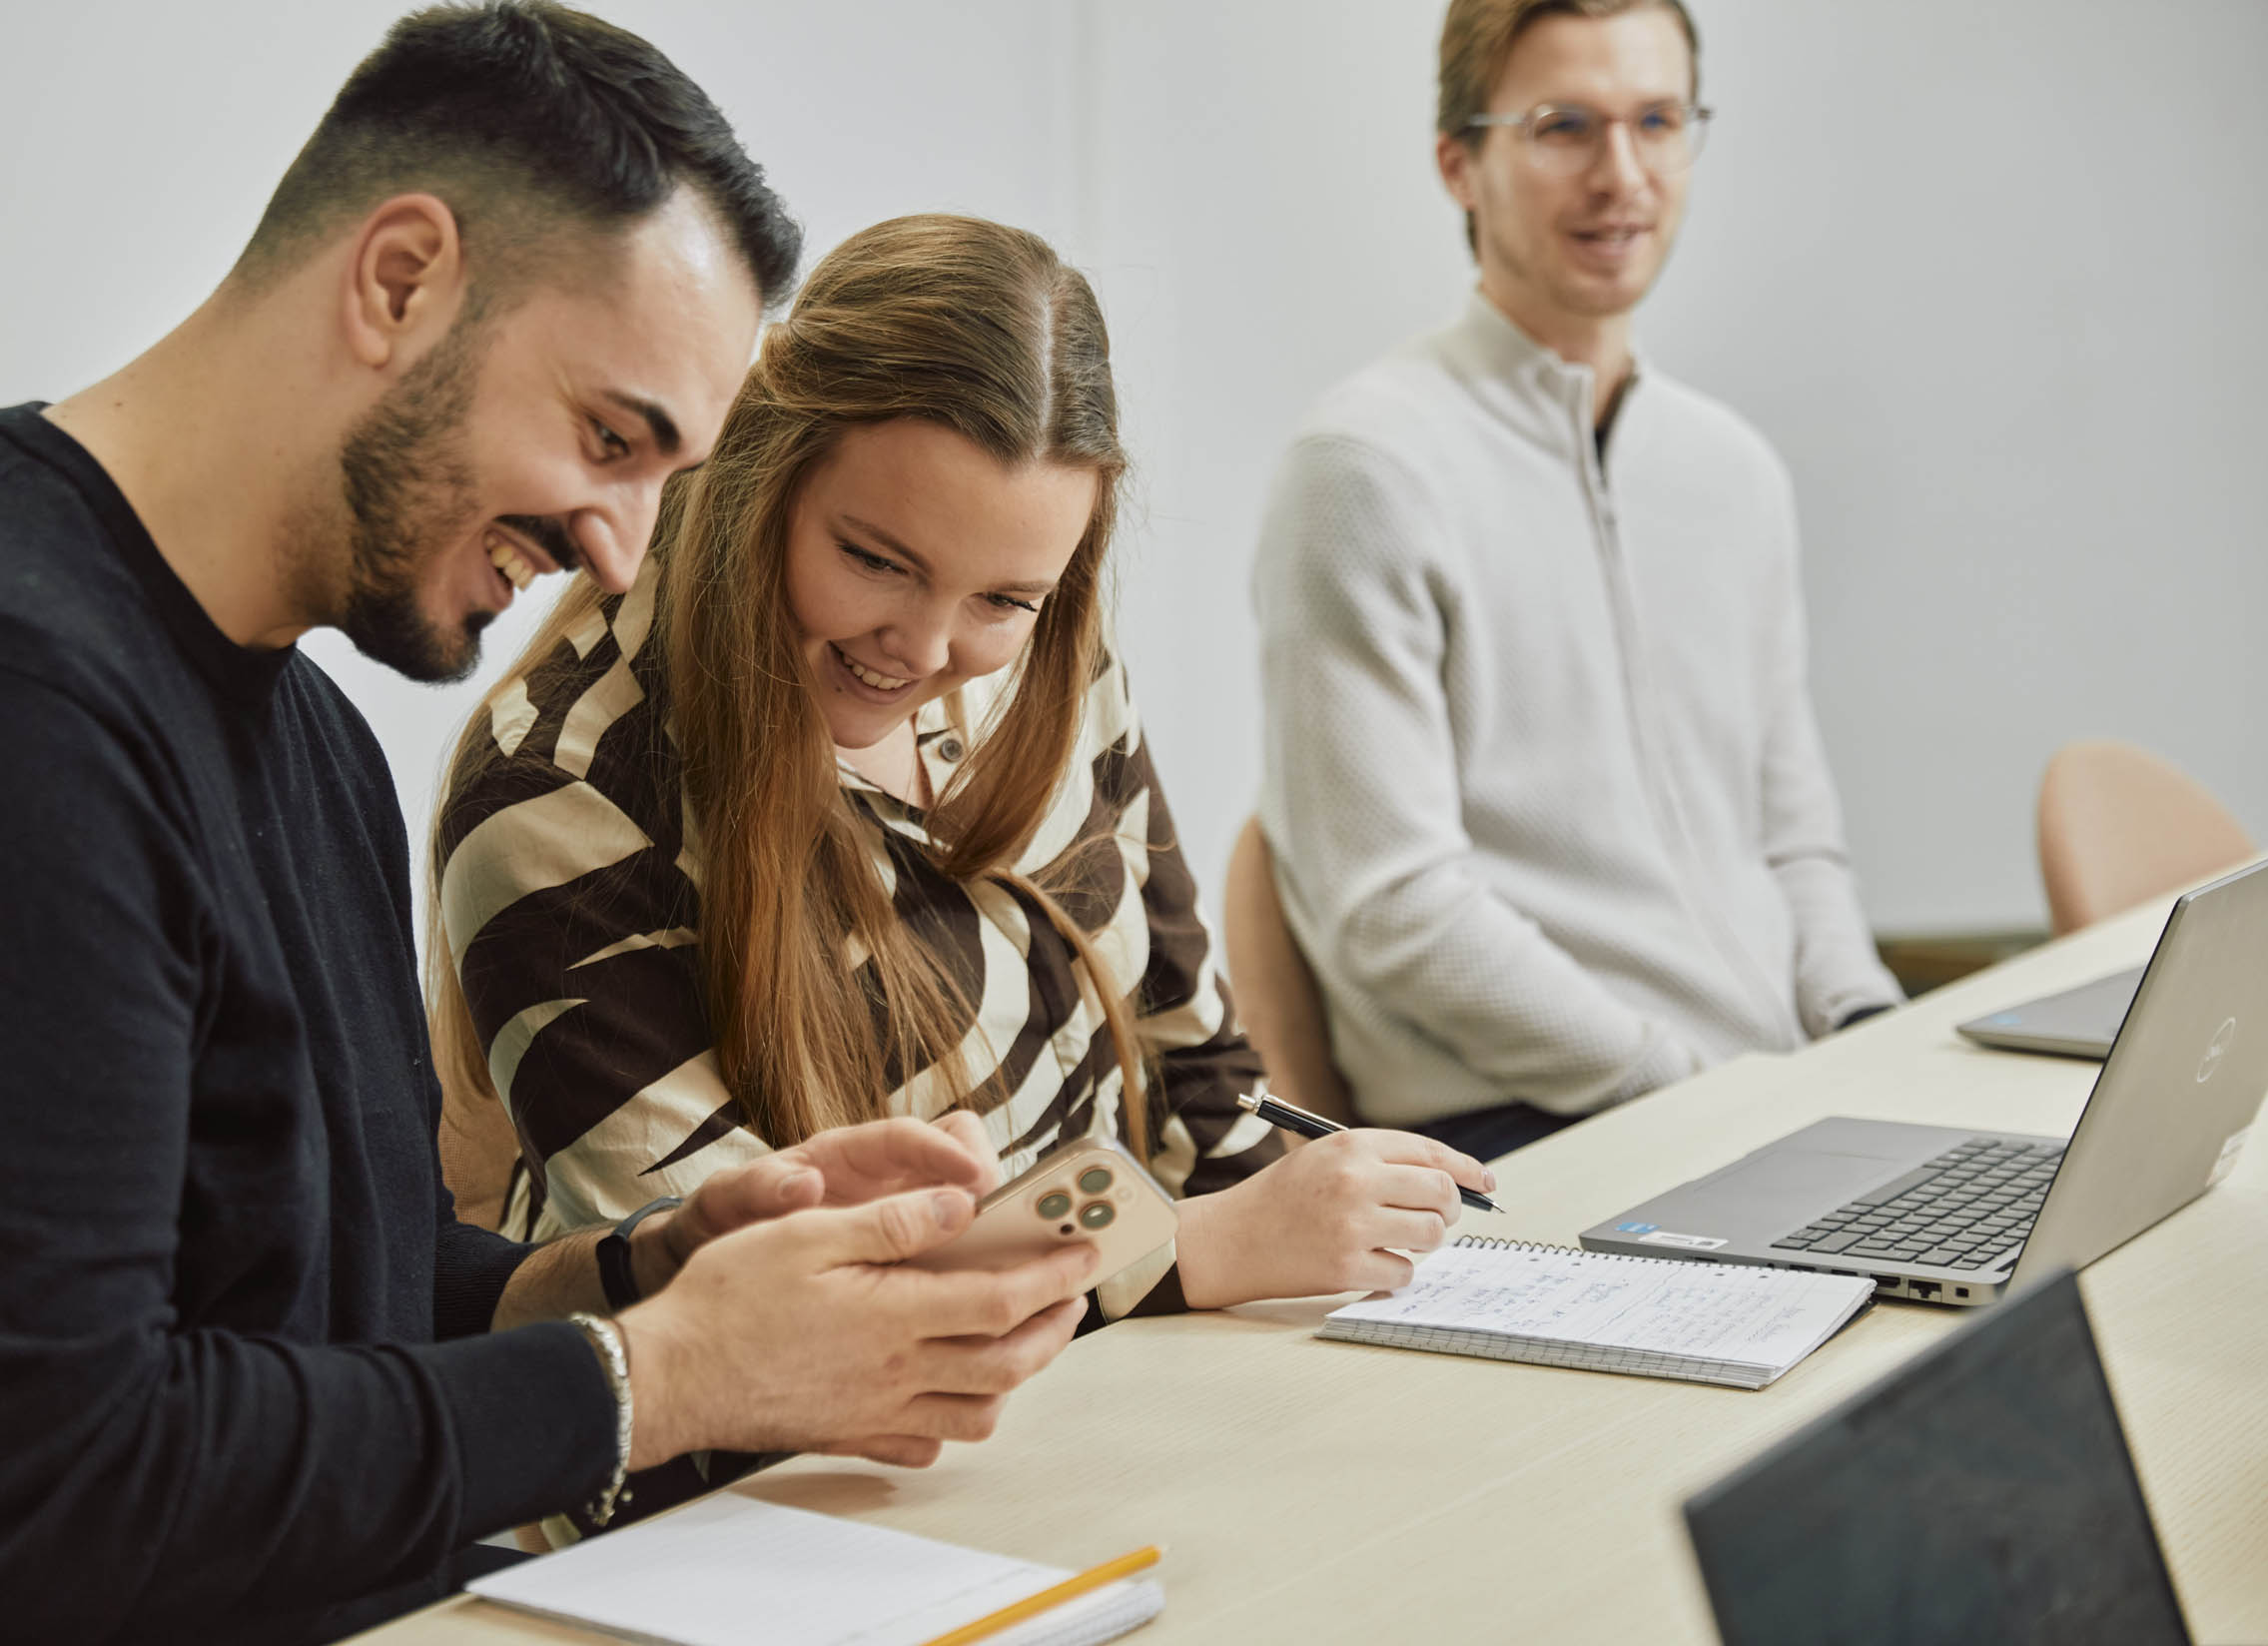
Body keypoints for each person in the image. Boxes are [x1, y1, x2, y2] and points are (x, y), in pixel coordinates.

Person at [0, 9, 1097, 1646]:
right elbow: (46, 1490)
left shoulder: (312, 736)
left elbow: (348, 1291)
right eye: (610, 438)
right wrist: (666, 1376)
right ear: (399, 280)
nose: (621, 550)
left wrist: (657, 1274)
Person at [429, 213, 1494, 1405]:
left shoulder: (1046, 664)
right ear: (760, 468)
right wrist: (1197, 1247)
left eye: (1002, 597)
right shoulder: (563, 796)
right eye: (877, 560)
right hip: (794, 1470)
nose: (927, 650)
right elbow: (757, 1309)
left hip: (1112, 1387)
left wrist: (1329, 1251)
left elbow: (1193, 1068)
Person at [1251, 0, 1901, 1163]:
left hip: (1768, 1102)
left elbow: (1796, 843)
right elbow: (1391, 910)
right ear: (1458, 163)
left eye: (1656, 121)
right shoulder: (1364, 469)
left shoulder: (1732, 473)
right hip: (1530, 1128)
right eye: (1563, 127)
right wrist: (1692, 1089)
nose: (1622, 176)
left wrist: (1865, 1031)